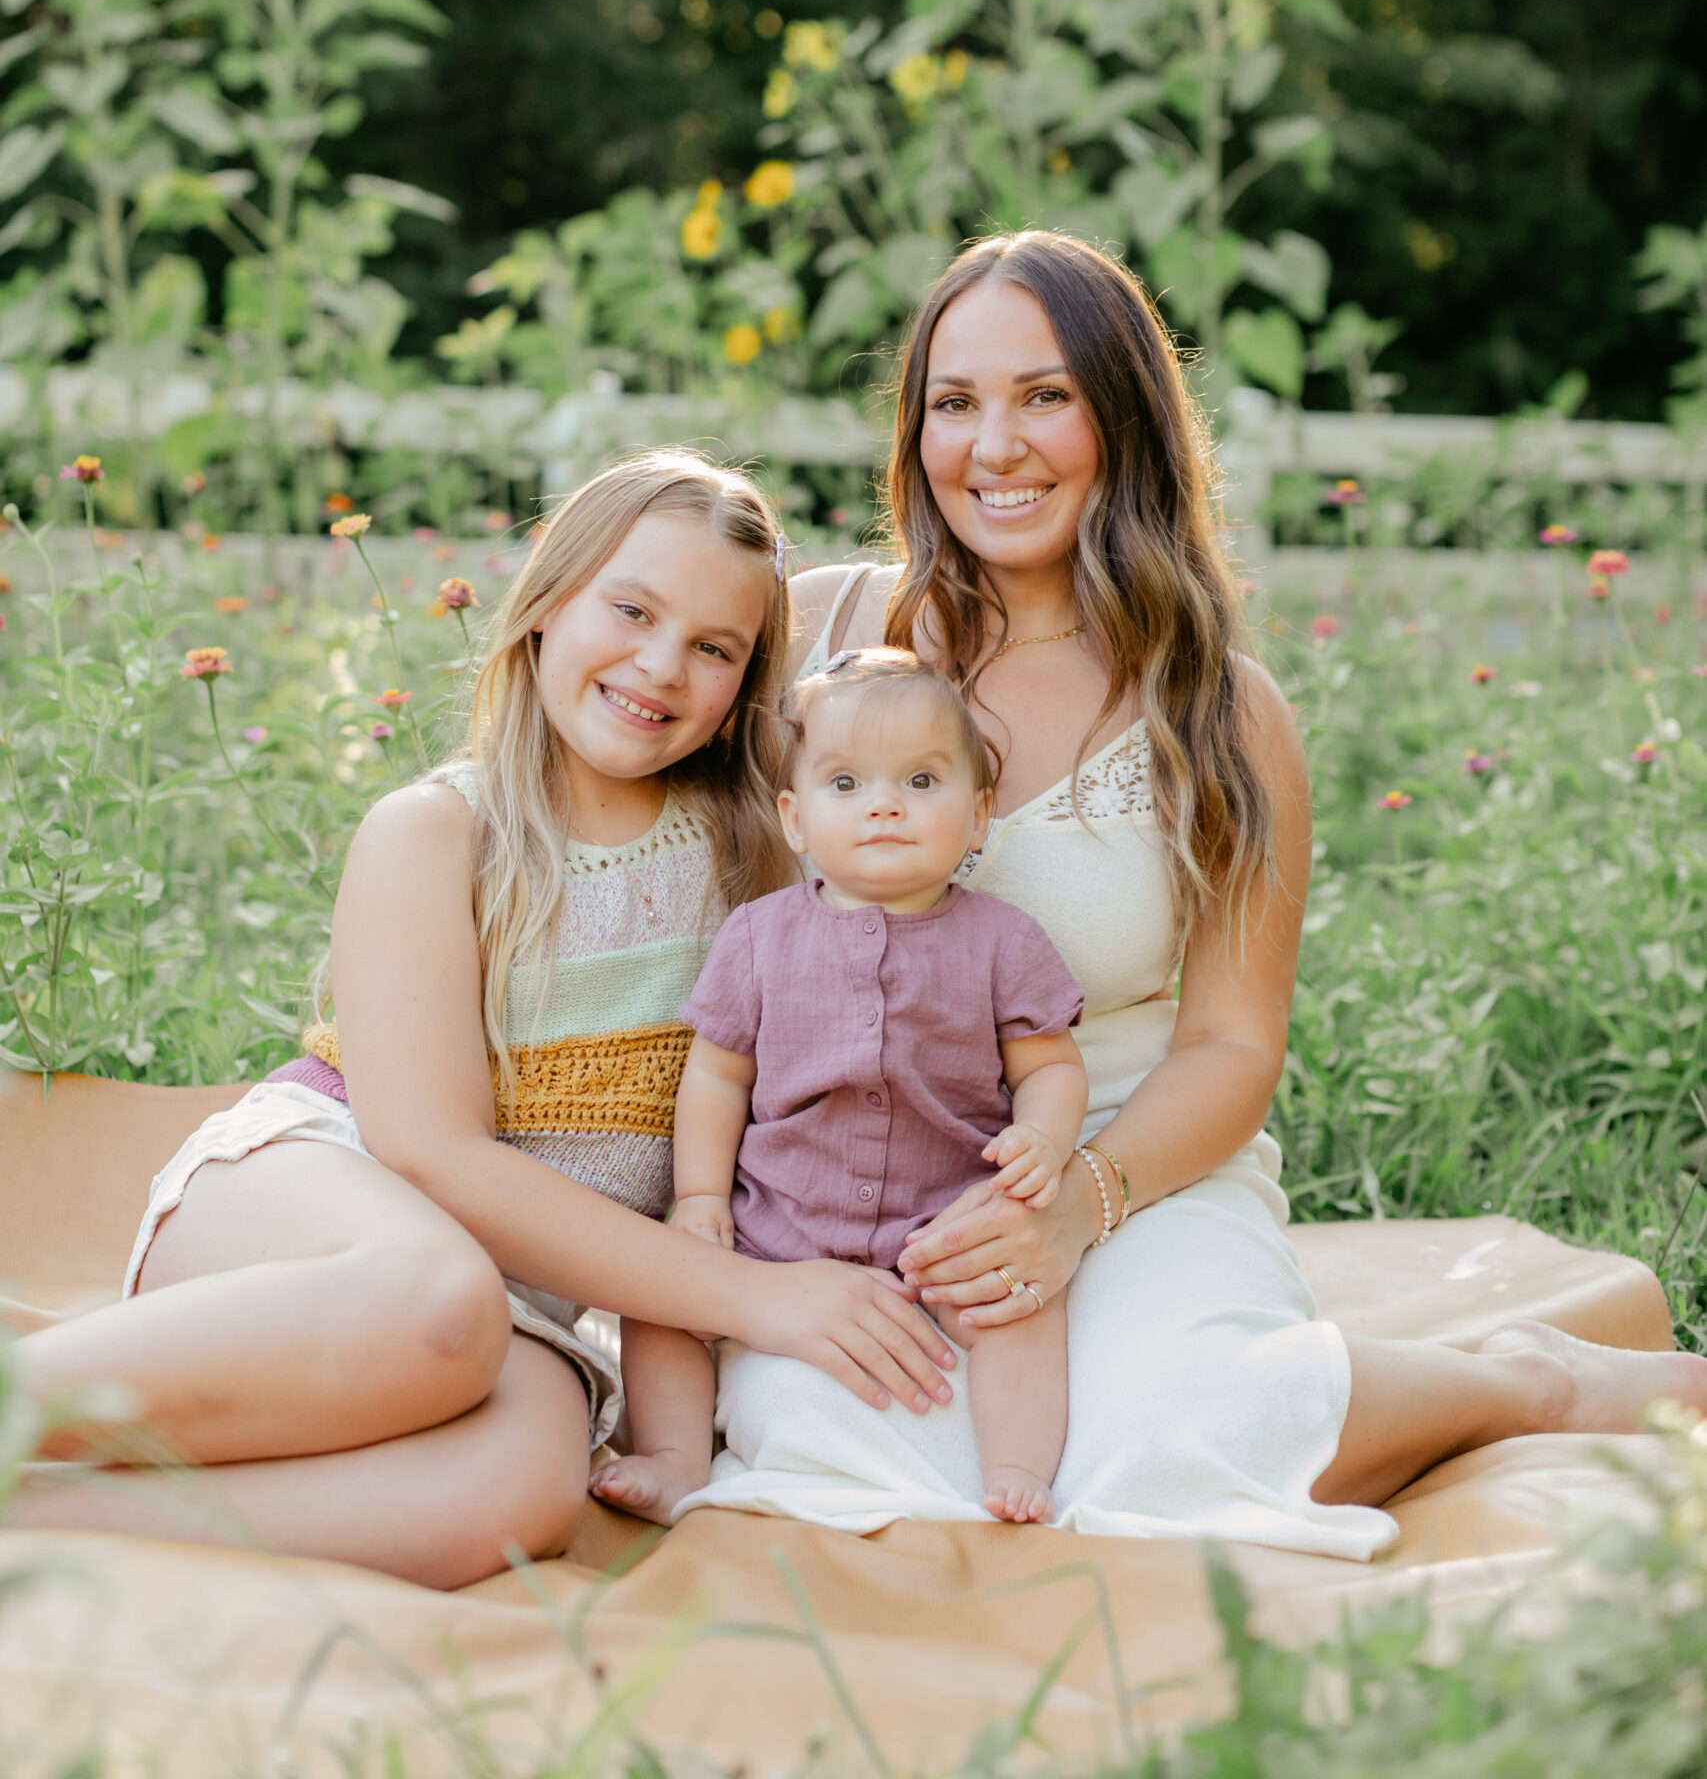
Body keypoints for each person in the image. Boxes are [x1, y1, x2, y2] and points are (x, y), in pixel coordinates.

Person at [679, 231, 1707, 1551]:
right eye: (953, 403)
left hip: (1126, 1153)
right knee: (843, 1444)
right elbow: (603, 739)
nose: (992, 446)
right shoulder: (819, 636)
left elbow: (1228, 1042)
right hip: (844, 1179)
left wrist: (1072, 1206)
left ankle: (1526, 1380)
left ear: (1122, 416)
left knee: (1171, 1444)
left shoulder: (1214, 711)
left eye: (1043, 396)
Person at [10, 452, 956, 1588]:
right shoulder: (440, 831)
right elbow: (430, 1149)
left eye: (716, 647)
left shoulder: (756, 869)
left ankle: (51, 1525)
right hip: (317, 1200)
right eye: (633, 608)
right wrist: (757, 1297)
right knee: (436, 1298)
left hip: (521, 1302)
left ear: (747, 687)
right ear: (548, 602)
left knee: (520, 1492)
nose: (661, 664)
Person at [594, 646, 1088, 1527]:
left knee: (1019, 1302)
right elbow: (716, 1071)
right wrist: (703, 1196)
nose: (885, 805)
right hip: (777, 1217)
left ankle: (1017, 1466)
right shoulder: (757, 935)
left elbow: (1047, 1063)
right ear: (794, 816)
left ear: (978, 816)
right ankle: (673, 1457)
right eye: (847, 784)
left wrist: (1042, 1141)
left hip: (938, 1224)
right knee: (660, 1296)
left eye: (922, 781)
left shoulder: (1002, 940)